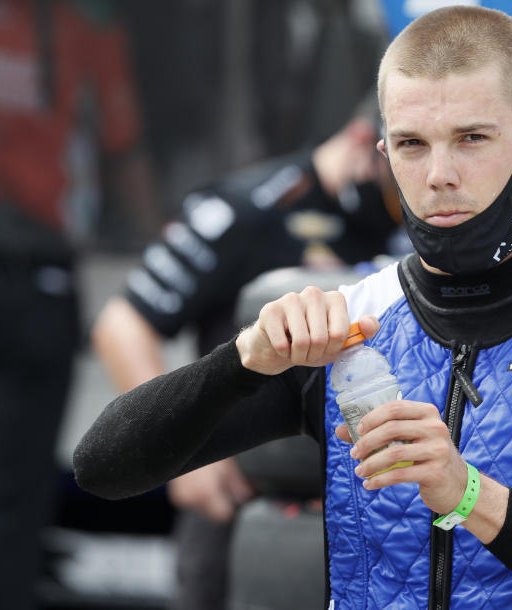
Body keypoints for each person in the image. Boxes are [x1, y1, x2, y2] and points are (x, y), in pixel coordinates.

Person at [75, 5, 512, 608]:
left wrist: (468, 495)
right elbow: (102, 468)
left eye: (471, 138)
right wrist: (242, 361)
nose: (439, 173)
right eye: (412, 144)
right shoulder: (347, 321)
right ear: (384, 154)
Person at [92, 113, 400, 609]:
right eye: (399, 156)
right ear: (365, 140)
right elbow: (122, 324)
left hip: (366, 503)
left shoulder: (412, 224)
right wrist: (184, 464)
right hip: (246, 496)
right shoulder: (248, 208)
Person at [0, 0, 153, 609]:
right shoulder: (84, 21)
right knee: (6, 498)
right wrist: (163, 250)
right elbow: (124, 146)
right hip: (34, 280)